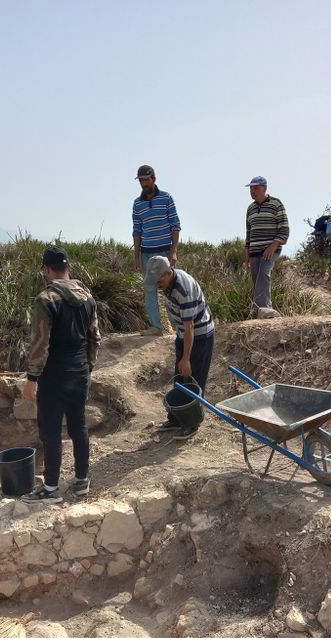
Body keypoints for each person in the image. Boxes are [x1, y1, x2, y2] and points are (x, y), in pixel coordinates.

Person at [22, 246, 101, 503]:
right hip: (79, 372)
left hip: (54, 376)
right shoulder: (88, 299)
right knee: (79, 427)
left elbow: (39, 344)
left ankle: (51, 488)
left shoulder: (46, 300)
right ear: (68, 268)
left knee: (51, 431)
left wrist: (32, 378)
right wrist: (88, 367)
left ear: (46, 269)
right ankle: (82, 481)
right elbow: (95, 338)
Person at [144, 255, 215, 440]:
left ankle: (192, 423)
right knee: (180, 377)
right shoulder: (168, 284)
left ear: (168, 273)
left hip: (200, 335)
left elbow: (190, 326)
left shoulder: (183, 290)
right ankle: (175, 419)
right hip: (184, 334)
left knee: (193, 378)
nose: (157, 285)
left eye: (159, 281)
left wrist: (186, 358)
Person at [132, 164, 181, 336]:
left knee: (170, 288)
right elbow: (137, 230)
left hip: (165, 251)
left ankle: (176, 326)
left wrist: (173, 251)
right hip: (146, 252)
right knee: (149, 288)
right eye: (141, 180)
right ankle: (156, 327)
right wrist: (136, 256)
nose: (143, 183)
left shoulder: (167, 198)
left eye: (146, 179)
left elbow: (175, 226)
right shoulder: (137, 204)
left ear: (153, 178)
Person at [244, 176, 290, 316]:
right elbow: (249, 232)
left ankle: (263, 309)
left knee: (264, 274)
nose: (253, 191)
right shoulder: (250, 209)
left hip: (271, 249)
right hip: (254, 251)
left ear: (265, 188)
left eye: (256, 188)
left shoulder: (276, 204)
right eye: (251, 188)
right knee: (256, 277)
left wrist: (273, 246)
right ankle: (262, 310)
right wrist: (247, 252)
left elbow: (284, 229)